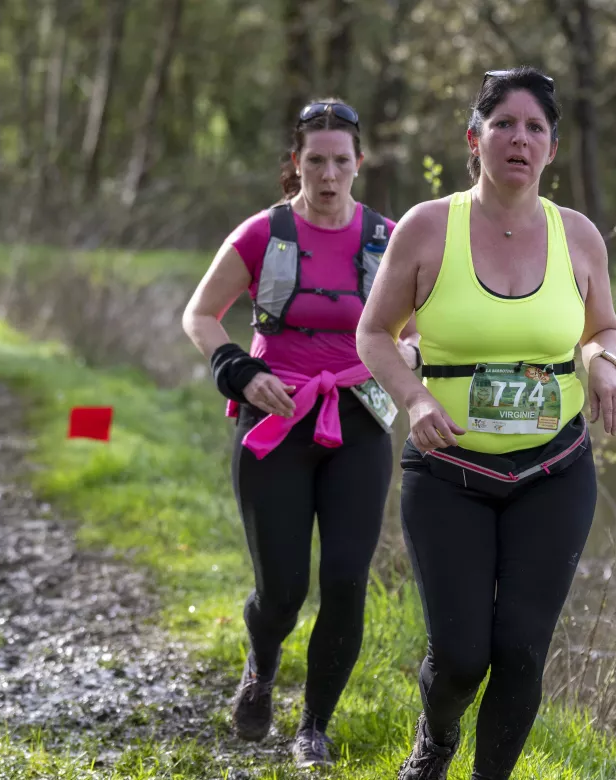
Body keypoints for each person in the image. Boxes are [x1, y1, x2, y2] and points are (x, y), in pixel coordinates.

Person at [355, 66, 616, 780]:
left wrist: (604, 365)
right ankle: (436, 736)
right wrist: (415, 400)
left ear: (552, 148)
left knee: (520, 652)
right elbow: (374, 335)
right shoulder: (428, 227)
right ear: (474, 138)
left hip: (553, 471)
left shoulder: (578, 236)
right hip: (448, 470)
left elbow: (602, 329)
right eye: (504, 124)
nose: (520, 139)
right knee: (461, 658)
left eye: (535, 127)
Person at [182, 98, 420, 769]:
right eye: (315, 160)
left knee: (345, 579)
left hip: (358, 417)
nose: (328, 174)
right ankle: (261, 666)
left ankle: (313, 725)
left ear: (359, 163)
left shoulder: (389, 239)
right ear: (296, 162)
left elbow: (424, 326)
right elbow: (200, 315)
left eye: (341, 161)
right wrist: (239, 370)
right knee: (283, 589)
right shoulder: (264, 233)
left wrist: (412, 351)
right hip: (275, 418)